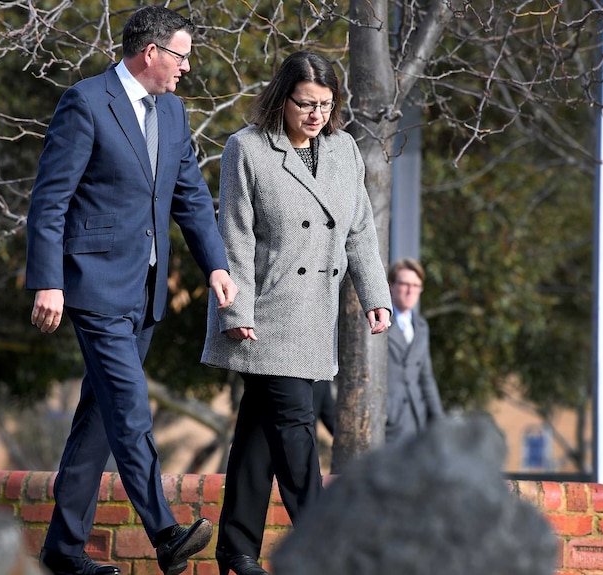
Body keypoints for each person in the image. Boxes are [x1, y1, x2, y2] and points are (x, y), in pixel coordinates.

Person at [26, 6, 238, 575]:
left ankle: (63, 552)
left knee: (99, 418)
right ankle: (164, 531)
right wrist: (48, 280)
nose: (187, 68)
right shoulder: (86, 102)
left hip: (143, 293)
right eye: (182, 56)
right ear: (151, 53)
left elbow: (190, 196)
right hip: (92, 285)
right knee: (129, 407)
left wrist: (214, 265)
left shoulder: (172, 113)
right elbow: (50, 202)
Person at [201, 51, 393, 575]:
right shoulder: (247, 148)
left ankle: (237, 551)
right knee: (294, 424)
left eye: (326, 105)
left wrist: (375, 296)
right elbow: (234, 233)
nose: (316, 115)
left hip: (315, 314)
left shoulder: (344, 149)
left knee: (259, 435)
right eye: (306, 104)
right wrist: (235, 308)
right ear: (282, 98)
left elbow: (358, 230)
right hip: (265, 312)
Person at [385, 258, 444, 445]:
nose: (411, 291)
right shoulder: (380, 321)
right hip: (387, 421)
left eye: (416, 285)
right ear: (391, 285)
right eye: (404, 284)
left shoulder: (421, 326)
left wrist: (439, 422)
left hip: (416, 420)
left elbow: (426, 377)